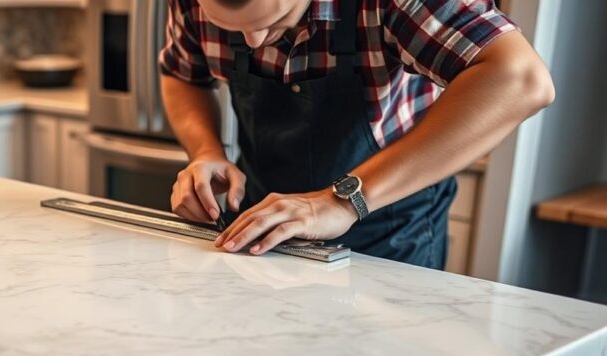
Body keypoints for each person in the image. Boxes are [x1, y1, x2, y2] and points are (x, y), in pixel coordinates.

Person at [159, 0, 554, 268]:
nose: (253, 42)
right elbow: (181, 74)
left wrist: (344, 201)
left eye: (272, 24)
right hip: (268, 225)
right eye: (228, 28)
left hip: (390, 227)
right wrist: (205, 151)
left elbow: (521, 80)